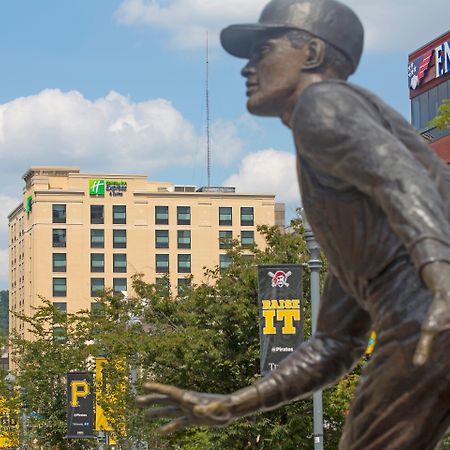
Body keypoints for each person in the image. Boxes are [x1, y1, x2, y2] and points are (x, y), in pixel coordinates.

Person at [137, 0, 450, 448]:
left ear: (312, 55)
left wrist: (441, 280)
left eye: (262, 49)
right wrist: (233, 404)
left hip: (430, 313)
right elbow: (333, 346)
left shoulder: (321, 105)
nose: (247, 68)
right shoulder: (363, 233)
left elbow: (401, 181)